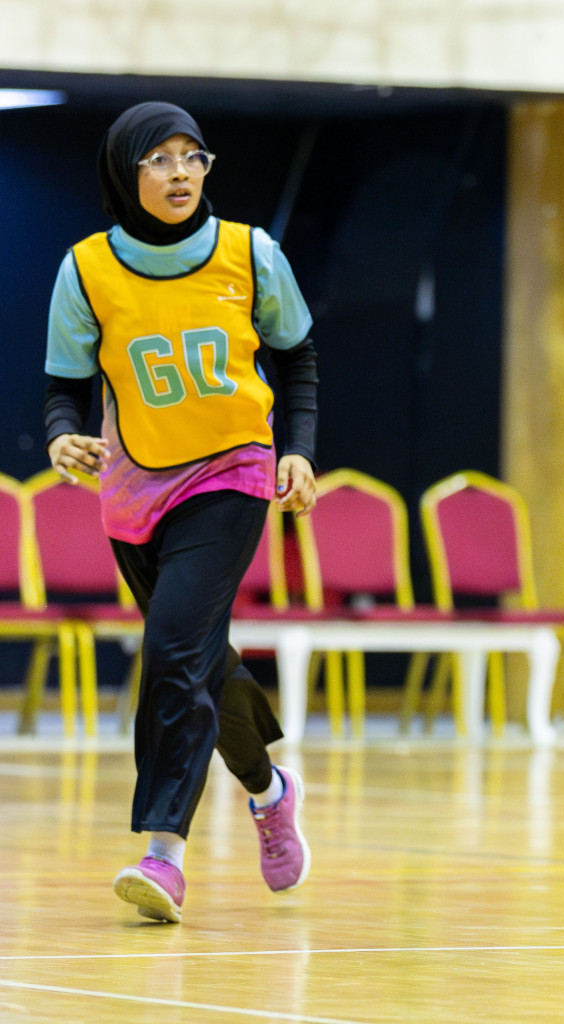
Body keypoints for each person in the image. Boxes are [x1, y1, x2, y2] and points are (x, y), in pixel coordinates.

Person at [43, 102, 317, 923]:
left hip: (231, 474)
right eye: (158, 160)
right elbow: (65, 384)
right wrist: (62, 436)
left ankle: (163, 853)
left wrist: (297, 447)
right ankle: (270, 793)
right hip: (134, 489)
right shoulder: (87, 268)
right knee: (197, 658)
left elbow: (296, 354)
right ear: (126, 173)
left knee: (170, 649)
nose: (179, 173)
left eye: (192, 157)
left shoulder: (250, 252)